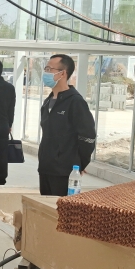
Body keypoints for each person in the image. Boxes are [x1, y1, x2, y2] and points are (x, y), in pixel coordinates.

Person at [38, 54, 96, 197]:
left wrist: (80, 164)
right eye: (45, 69)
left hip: (64, 171)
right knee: (46, 207)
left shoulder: (75, 102)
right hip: (46, 168)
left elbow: (88, 136)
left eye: (49, 69)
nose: (46, 73)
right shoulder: (47, 101)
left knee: (61, 208)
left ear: (62, 73)